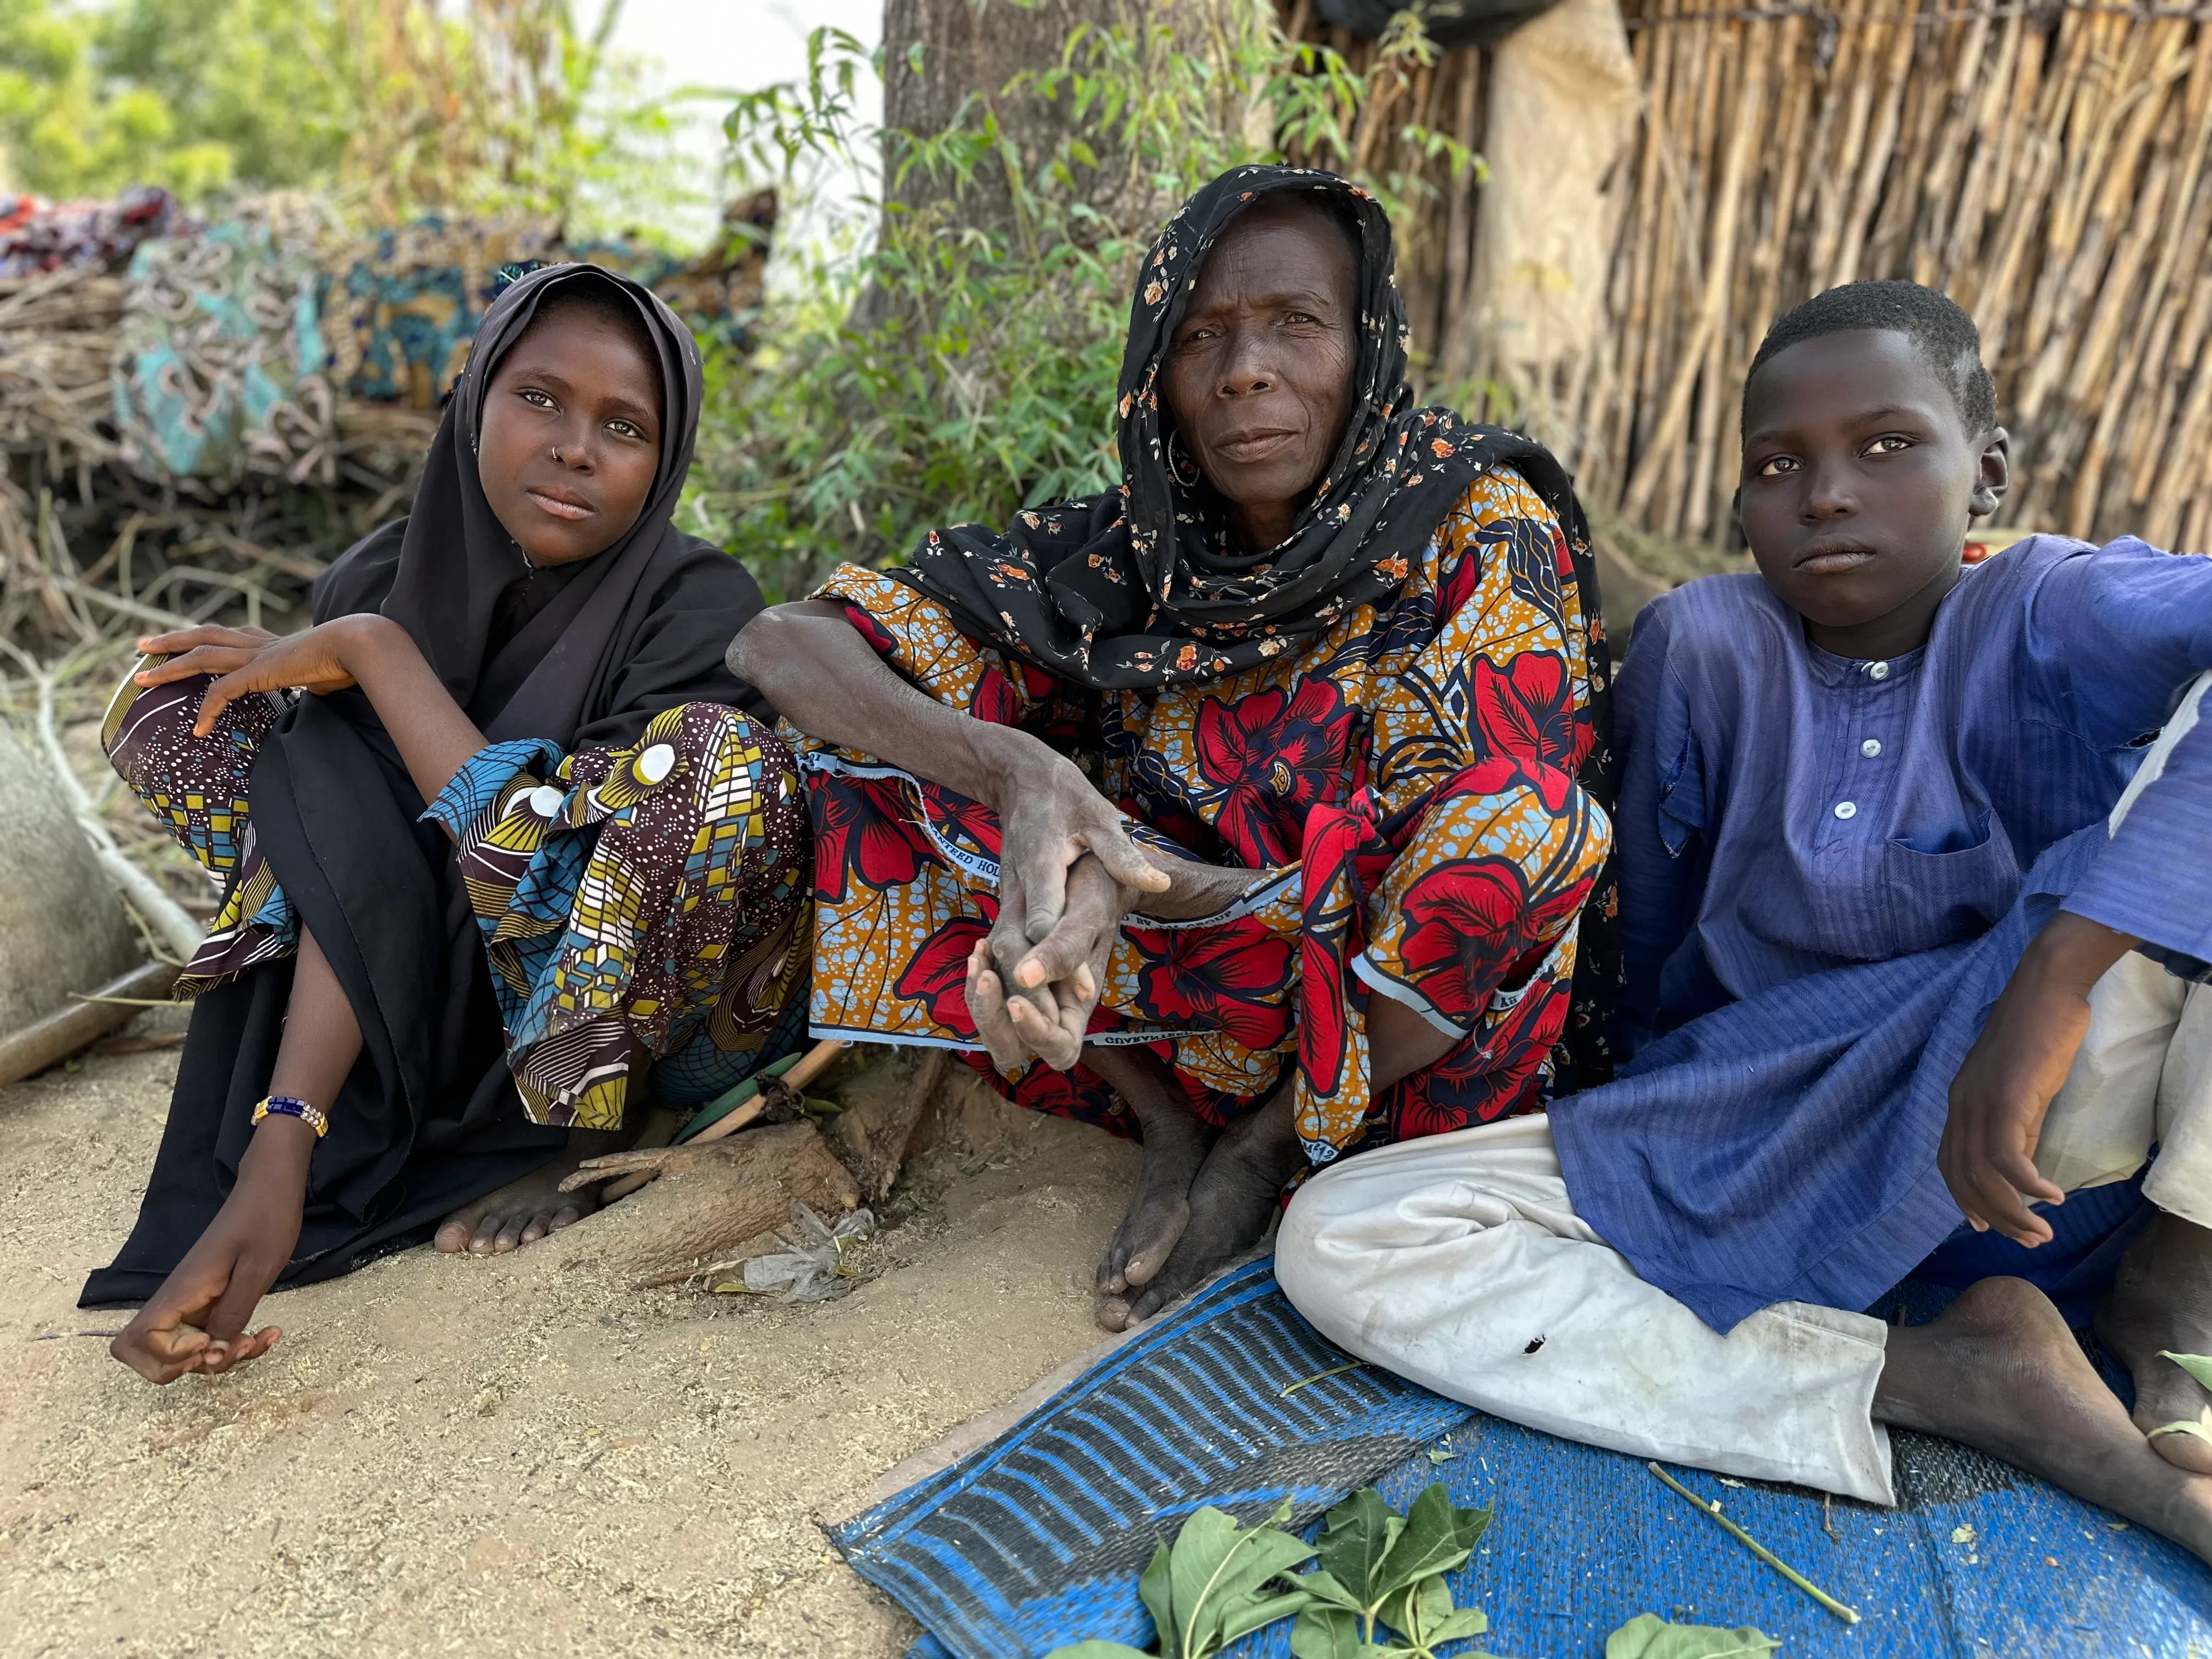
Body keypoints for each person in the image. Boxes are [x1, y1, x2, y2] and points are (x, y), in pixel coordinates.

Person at [1277, 280, 2212, 1560]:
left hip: (2061, 1137)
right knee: (1344, 1241)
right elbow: (1642, 941)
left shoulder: (2050, 608)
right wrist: (1636, 1137)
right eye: (1781, 464)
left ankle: (2186, 1267)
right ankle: (1941, 1377)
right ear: (1741, 503)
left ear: (1987, 473)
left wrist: (2058, 970)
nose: (1828, 493)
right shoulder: (1706, 647)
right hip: (1767, 1130)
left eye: (1888, 447)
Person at [730, 165, 1617, 1332]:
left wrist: (1111, 877)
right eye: (1203, 335)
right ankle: (1167, 1123)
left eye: (1296, 324)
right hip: (1163, 1006)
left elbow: (1457, 848)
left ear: (1368, 344)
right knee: (884, 751)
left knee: (1532, 827)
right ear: (1160, 372)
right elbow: (781, 642)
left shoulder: (1470, 522)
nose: (1246, 369)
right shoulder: (1131, 551)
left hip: (1397, 1032)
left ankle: (1261, 1149)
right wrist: (1023, 777)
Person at [87, 264, 810, 1382]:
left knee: (718, 764)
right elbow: (356, 850)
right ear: (475, 394)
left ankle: (593, 1135)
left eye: (624, 425)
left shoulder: (699, 603)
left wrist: (377, 656)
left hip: (641, 1012)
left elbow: (557, 880)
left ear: (665, 461)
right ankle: (390, 1118)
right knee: (189, 696)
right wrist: (283, 1139)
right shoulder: (379, 575)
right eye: (540, 399)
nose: (576, 446)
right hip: (442, 989)